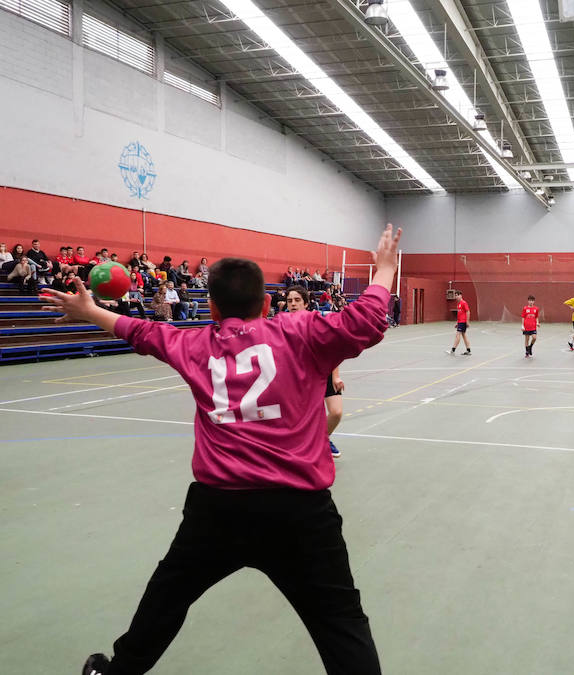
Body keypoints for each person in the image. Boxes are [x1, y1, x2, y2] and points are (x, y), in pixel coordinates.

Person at [42, 224, 401, 675]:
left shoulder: (192, 344)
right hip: (300, 513)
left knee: (167, 598)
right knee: (340, 620)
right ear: (267, 303)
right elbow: (366, 320)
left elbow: (142, 331)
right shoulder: (300, 332)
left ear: (211, 307)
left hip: (219, 511)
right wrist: (385, 268)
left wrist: (91, 311)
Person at [285, 286, 344, 458]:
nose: (293, 304)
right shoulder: (281, 325)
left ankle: (323, 438)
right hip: (301, 378)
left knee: (336, 412)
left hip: (324, 373)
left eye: (297, 300)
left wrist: (336, 376)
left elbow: (333, 349)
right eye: (290, 301)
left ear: (305, 303)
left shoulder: (316, 322)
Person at [447, 289, 471, 355]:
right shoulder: (458, 304)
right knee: (464, 335)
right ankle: (468, 350)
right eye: (455, 295)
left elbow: (468, 311)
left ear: (460, 295)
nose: (456, 297)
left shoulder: (464, 303)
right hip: (460, 322)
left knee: (458, 335)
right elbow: (459, 314)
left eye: (457, 295)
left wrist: (467, 322)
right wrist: (457, 323)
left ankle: (452, 350)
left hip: (463, 322)